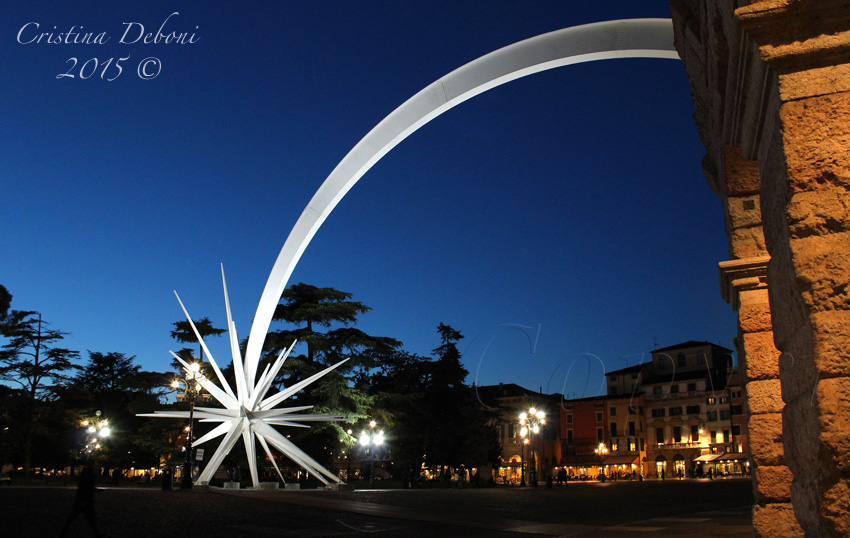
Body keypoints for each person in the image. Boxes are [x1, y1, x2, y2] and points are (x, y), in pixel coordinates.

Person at [59, 465, 105, 537]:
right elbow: (87, 489)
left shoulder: (83, 479)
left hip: (81, 501)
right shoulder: (88, 479)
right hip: (85, 501)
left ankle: (62, 533)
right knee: (90, 519)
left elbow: (84, 489)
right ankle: (97, 533)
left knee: (74, 518)